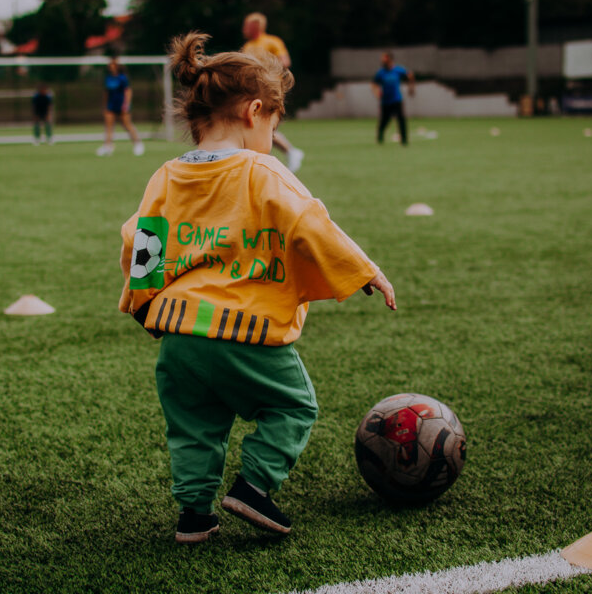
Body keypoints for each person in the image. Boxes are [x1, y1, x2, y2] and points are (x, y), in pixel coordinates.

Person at [118, 32, 396, 544]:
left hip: (179, 334)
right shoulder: (263, 169)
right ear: (253, 111)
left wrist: (141, 305)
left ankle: (194, 516)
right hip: (241, 328)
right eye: (274, 120)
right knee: (295, 406)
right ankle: (253, 487)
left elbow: (143, 236)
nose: (272, 132)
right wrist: (365, 270)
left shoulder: (166, 175)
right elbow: (311, 222)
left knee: (194, 426)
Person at [241, 12, 305, 172]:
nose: (244, 29)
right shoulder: (248, 46)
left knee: (262, 126)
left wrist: (264, 72)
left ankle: (290, 152)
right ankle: (287, 153)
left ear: (255, 26)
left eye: (246, 25)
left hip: (267, 91)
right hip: (251, 91)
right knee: (255, 126)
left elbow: (285, 62)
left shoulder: (272, 42)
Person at [95, 57, 145, 157]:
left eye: (113, 66)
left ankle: (138, 144)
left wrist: (126, 104)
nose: (111, 67)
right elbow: (106, 93)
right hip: (111, 105)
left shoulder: (123, 78)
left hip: (122, 105)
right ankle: (108, 147)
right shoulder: (108, 78)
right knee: (109, 127)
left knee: (127, 125)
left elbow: (128, 91)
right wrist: (105, 106)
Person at [371, 52, 415, 145]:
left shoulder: (398, 70)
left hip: (396, 99)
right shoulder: (381, 72)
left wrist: (411, 88)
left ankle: (404, 140)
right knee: (385, 120)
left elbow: (410, 75)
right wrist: (377, 93)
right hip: (385, 101)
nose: (382, 61)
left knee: (401, 119)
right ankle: (380, 136)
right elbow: (374, 84)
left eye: (384, 58)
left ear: (390, 59)